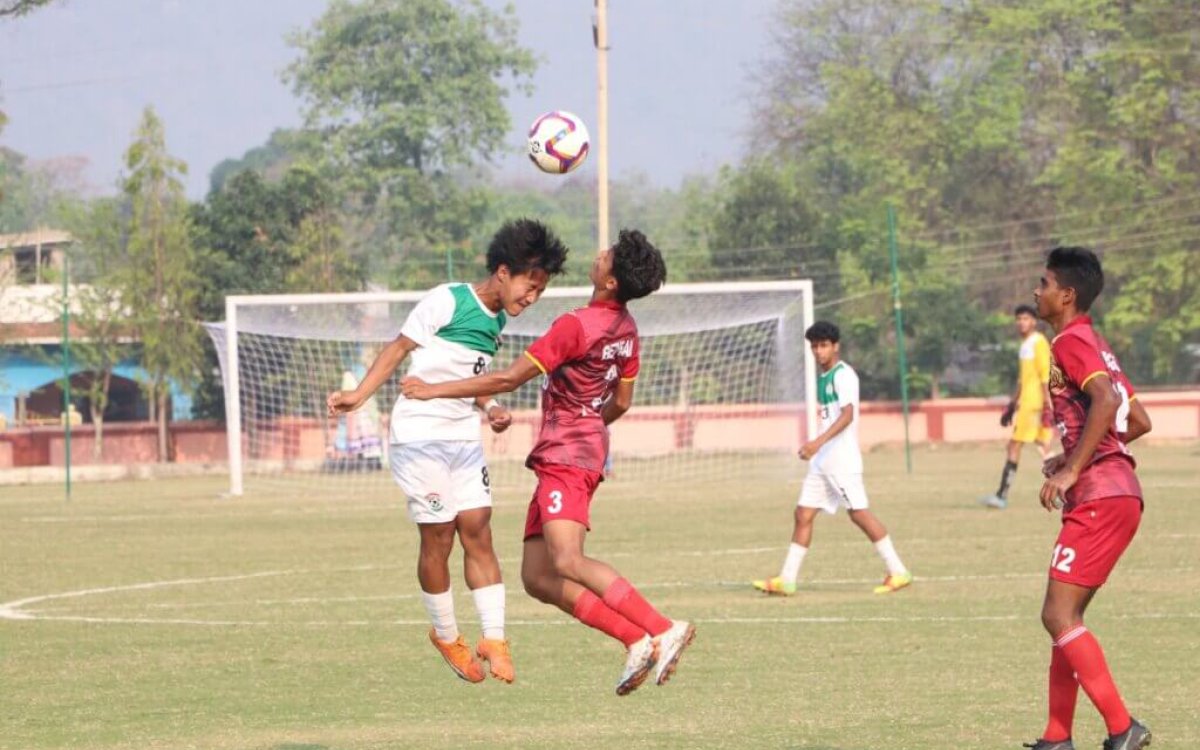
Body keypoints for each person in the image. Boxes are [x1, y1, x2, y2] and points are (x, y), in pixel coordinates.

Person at [402, 229, 694, 696]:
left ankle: (662, 627)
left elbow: (507, 380)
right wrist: (589, 425)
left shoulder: (574, 325)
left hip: (566, 455)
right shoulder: (627, 330)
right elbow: (622, 401)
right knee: (538, 577)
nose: (600, 255)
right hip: (575, 450)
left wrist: (432, 389)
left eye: (609, 256)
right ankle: (635, 639)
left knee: (567, 559)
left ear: (612, 280)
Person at [327, 218, 568, 685]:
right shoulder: (448, 299)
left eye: (540, 290)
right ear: (503, 271)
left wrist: (492, 405)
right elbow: (399, 349)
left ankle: (494, 638)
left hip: (461, 435)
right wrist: (358, 395)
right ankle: (446, 633)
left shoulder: (497, 320)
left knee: (478, 528)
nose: (532, 297)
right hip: (418, 435)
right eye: (529, 285)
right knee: (439, 535)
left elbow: (473, 378)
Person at [1022, 246, 1153, 750]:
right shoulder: (1097, 344)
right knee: (1067, 617)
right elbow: (1136, 422)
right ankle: (1057, 736)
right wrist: (1073, 456)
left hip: (1100, 494)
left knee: (1057, 615)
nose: (1037, 291)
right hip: (1120, 492)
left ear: (1067, 294)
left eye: (1045, 283)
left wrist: (1075, 466)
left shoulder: (1070, 343)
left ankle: (1124, 727)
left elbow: (1107, 401)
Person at [752, 321, 912, 597]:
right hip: (823, 461)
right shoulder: (824, 377)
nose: (818, 351)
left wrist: (816, 442)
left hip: (841, 461)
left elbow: (847, 416)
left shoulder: (843, 375)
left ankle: (898, 571)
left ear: (835, 346)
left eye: (823, 346)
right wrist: (818, 449)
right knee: (803, 514)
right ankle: (786, 579)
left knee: (858, 513)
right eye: (814, 346)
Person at [980, 304, 1057, 509]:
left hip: (1034, 405)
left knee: (1018, 445)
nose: (1021, 322)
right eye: (1019, 319)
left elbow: (1044, 375)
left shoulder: (1038, 342)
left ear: (1034, 321)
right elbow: (1023, 380)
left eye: (1025, 318)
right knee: (1042, 446)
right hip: (1026, 404)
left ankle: (1002, 495)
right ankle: (1067, 491)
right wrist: (1012, 404)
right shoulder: (1025, 344)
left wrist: (1046, 405)